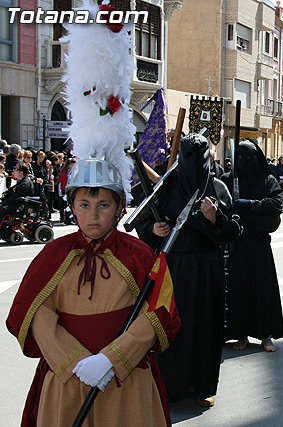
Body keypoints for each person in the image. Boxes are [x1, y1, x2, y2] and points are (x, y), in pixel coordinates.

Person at [6, 158, 181, 426]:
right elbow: (36, 313)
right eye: (84, 205)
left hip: (126, 377)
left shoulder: (139, 255)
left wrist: (111, 360)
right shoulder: (53, 256)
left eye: (104, 205)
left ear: (120, 207)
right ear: (72, 207)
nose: (93, 216)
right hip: (67, 377)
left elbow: (158, 313)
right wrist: (73, 359)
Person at [138, 133, 242, 407]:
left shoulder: (218, 188)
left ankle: (202, 386)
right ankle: (166, 386)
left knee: (205, 328)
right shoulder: (166, 188)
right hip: (174, 268)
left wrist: (214, 218)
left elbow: (233, 231)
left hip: (208, 269)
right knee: (170, 327)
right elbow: (143, 224)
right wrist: (154, 229)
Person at [222, 140, 283, 352]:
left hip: (259, 246)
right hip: (236, 246)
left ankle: (266, 336)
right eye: (240, 159)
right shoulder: (227, 180)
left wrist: (251, 205)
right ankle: (241, 334)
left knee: (262, 290)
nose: (244, 163)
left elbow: (277, 204)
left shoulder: (267, 180)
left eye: (248, 159)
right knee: (238, 291)